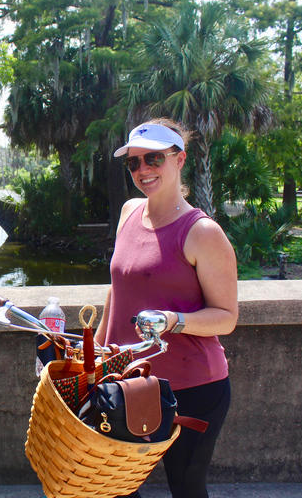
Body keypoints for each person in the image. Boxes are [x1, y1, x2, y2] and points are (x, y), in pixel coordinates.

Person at [94, 118, 238, 498]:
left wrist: (174, 321)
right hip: (125, 382)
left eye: (154, 159)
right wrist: (93, 352)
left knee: (186, 487)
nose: (143, 170)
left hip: (192, 387)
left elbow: (226, 317)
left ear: (179, 159)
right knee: (114, 487)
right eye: (134, 163)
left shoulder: (201, 232)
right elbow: (117, 289)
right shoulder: (128, 212)